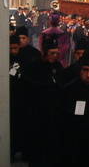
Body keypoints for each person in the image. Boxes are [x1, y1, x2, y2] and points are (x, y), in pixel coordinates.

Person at [20, 36, 64, 166]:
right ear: (43, 51)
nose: (54, 56)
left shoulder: (57, 66)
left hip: (53, 117)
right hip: (36, 116)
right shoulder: (32, 67)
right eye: (51, 53)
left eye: (56, 53)